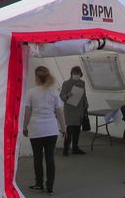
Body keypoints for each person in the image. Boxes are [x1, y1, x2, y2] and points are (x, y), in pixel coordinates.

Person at [23, 66, 66, 195]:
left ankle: (39, 184)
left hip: (36, 129)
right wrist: (64, 128)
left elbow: (28, 112)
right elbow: (59, 112)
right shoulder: (53, 92)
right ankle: (50, 187)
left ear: (36, 77)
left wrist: (24, 127)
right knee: (50, 158)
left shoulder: (31, 92)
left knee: (37, 158)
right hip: (51, 129)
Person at [60, 66, 89, 156]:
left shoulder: (82, 83)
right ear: (71, 74)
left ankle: (75, 147)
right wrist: (67, 95)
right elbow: (61, 96)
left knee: (77, 130)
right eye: (75, 73)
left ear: (80, 74)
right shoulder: (66, 83)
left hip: (79, 109)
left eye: (78, 73)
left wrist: (86, 105)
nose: (76, 75)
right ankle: (66, 148)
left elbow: (84, 95)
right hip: (70, 109)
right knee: (69, 130)